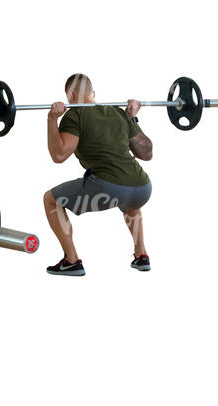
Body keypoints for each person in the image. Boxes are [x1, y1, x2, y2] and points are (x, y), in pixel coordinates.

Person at [43, 73, 154, 276]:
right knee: (131, 203)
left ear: (72, 95)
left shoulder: (75, 115)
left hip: (110, 188)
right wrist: (132, 118)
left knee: (50, 200)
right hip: (143, 187)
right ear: (93, 93)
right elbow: (147, 154)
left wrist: (52, 119)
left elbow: (59, 155)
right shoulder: (117, 112)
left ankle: (71, 260)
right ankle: (141, 256)